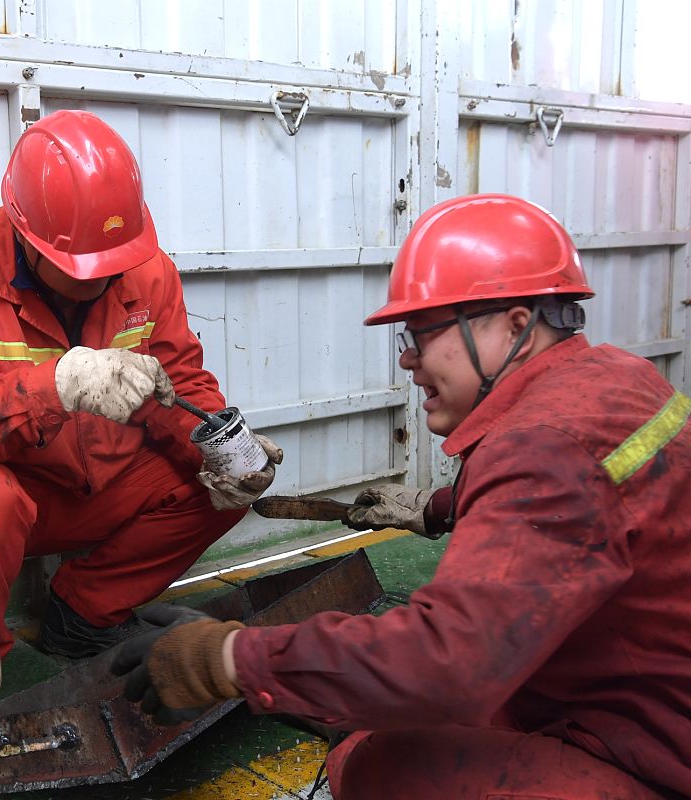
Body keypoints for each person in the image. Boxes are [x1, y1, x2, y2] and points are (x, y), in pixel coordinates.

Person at [111, 194, 691, 800]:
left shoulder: (541, 446)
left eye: (422, 332)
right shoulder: (615, 379)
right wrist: (441, 507)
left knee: (378, 767)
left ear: (515, 326)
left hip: (651, 757)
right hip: (635, 701)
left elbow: (449, 664)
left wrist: (224, 660)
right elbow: (587, 513)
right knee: (374, 716)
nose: (409, 358)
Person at [0, 109, 280, 674]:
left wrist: (221, 447)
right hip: (11, 496)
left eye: (113, 264)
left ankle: (85, 613)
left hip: (103, 486)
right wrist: (55, 387)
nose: (103, 278)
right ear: (27, 237)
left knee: (217, 478)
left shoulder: (141, 266)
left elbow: (179, 381)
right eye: (84, 266)